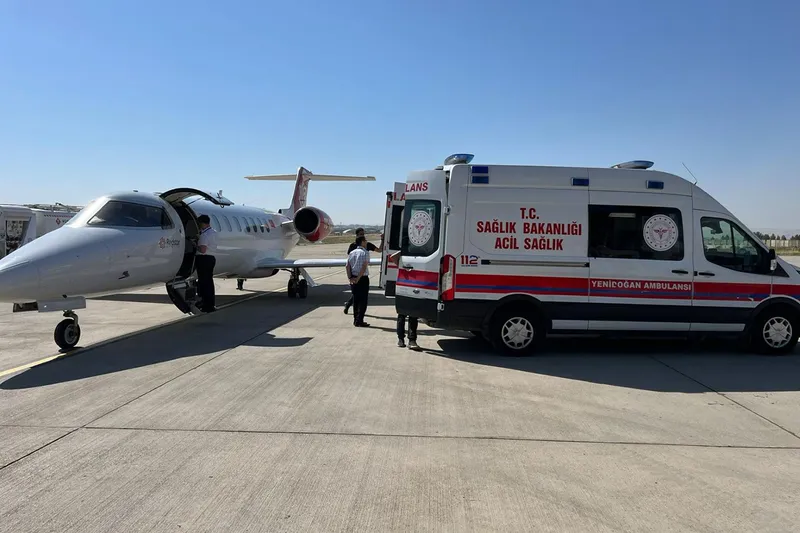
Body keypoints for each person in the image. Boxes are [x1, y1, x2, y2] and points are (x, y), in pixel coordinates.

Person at [344, 228, 383, 314]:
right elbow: (349, 261)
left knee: (357, 294)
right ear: (357, 235)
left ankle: (351, 308)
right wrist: (350, 276)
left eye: (363, 234)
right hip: (355, 273)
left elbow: (379, 250)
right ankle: (357, 314)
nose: (363, 235)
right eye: (361, 234)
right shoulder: (352, 246)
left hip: (362, 274)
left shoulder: (367, 245)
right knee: (358, 295)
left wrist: (382, 240)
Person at [389, 250, 419, 350]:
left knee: (412, 316)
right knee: (403, 316)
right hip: (404, 286)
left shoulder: (419, 257)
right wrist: (405, 250)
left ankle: (410, 339)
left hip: (413, 287)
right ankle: (402, 339)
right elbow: (393, 257)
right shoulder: (405, 257)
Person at [346, 235, 371, 327]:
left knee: (356, 300)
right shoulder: (365, 252)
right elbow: (364, 267)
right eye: (365, 240)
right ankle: (360, 320)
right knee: (363, 300)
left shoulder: (352, 253)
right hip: (362, 279)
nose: (366, 242)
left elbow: (347, 266)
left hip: (353, 278)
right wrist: (359, 278)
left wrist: (350, 278)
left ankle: (355, 320)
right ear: (362, 242)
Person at [195, 214, 218, 313]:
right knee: (209, 282)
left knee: (204, 282)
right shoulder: (214, 232)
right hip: (211, 258)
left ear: (202, 223)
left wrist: (194, 244)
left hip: (203, 259)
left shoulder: (204, 235)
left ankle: (206, 305)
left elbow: (203, 250)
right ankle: (210, 304)